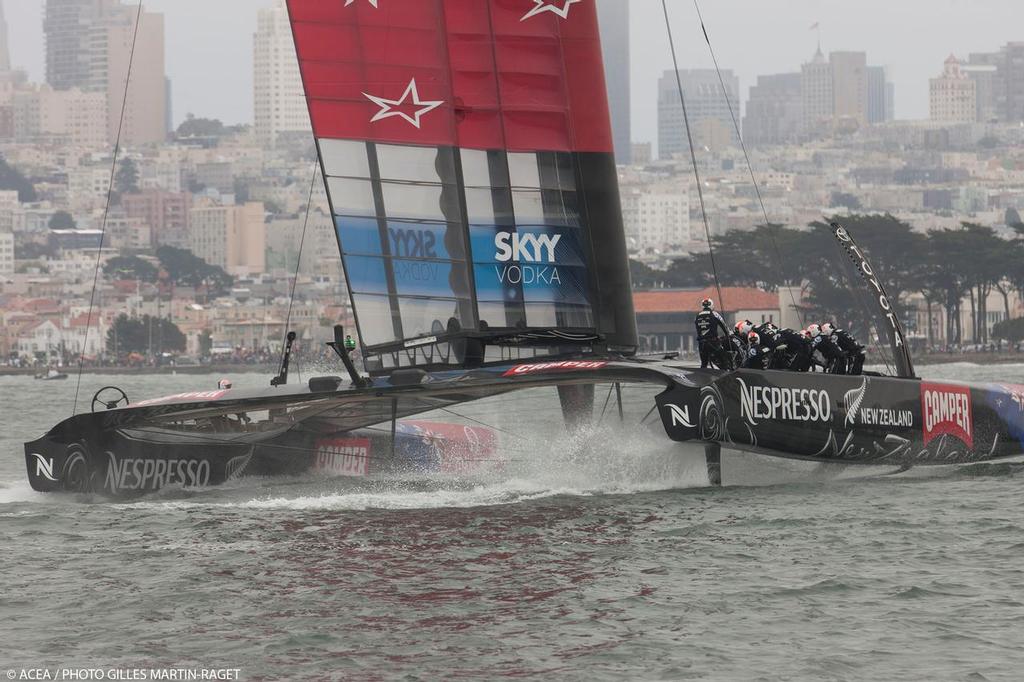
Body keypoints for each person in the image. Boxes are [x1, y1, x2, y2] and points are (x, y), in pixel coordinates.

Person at [694, 298, 732, 369]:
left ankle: (702, 378)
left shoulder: (697, 316)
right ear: (712, 305)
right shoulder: (715, 314)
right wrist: (728, 335)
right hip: (713, 342)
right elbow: (724, 326)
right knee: (725, 360)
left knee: (704, 364)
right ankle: (727, 374)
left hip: (701, 344)